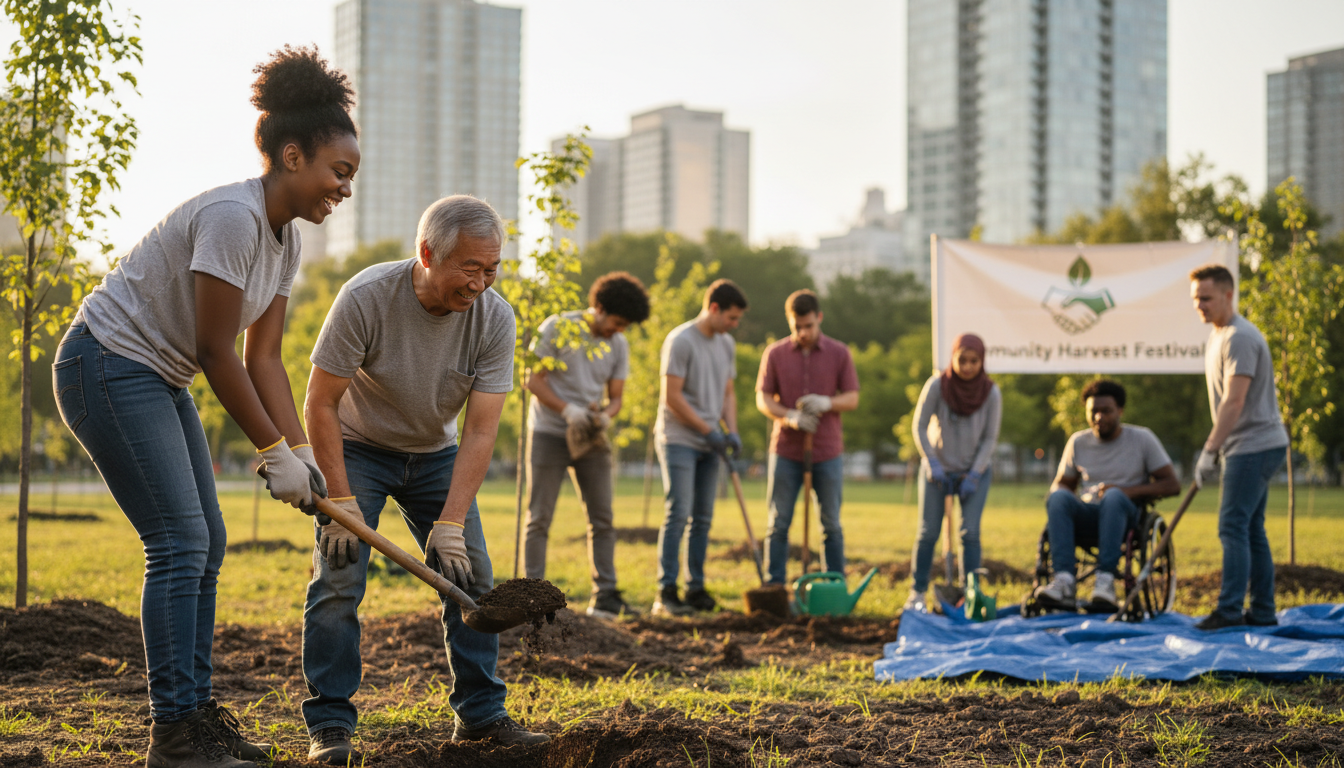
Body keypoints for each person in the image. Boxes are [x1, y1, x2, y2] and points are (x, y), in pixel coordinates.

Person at [50, 46, 355, 768]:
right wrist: (272, 452)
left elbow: (264, 357)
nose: (344, 188)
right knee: (178, 544)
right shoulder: (232, 217)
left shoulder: (285, 243)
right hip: (106, 363)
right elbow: (218, 349)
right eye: (338, 172)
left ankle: (196, 719)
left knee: (207, 543)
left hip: (159, 376)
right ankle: (173, 734)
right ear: (291, 156)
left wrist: (301, 451)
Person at [300, 195, 547, 764]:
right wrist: (340, 498)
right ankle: (331, 726)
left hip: (436, 456)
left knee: (472, 575)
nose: (480, 283)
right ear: (427, 252)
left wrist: (452, 521)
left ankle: (481, 716)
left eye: (492, 269)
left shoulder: (495, 318)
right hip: (357, 449)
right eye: (469, 268)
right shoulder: (367, 297)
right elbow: (320, 401)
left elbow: (481, 430)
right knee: (338, 577)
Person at [522, 272, 651, 618]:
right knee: (539, 517)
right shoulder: (559, 328)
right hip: (550, 432)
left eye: (625, 326)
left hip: (590, 436)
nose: (618, 330)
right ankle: (533, 596)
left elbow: (617, 397)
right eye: (616, 322)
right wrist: (567, 410)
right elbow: (532, 379)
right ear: (598, 308)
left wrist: (606, 415)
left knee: (602, 517)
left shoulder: (618, 344)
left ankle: (605, 594)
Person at [1190, 264, 1289, 630]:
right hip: (1250, 444)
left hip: (1254, 444)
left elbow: (1234, 401)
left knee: (1232, 526)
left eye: (1206, 297)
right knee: (1250, 529)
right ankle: (1262, 612)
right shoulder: (1219, 334)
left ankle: (1230, 611)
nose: (1199, 304)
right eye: (1195, 298)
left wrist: (1209, 449)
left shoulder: (1239, 338)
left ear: (1228, 295)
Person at [1035, 380, 1181, 612]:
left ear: (1120, 411)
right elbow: (1062, 484)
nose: (1099, 417)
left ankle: (1106, 582)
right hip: (1087, 514)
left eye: (1106, 411)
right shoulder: (1078, 442)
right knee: (1058, 498)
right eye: (1093, 411)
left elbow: (1172, 484)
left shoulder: (1142, 439)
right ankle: (1064, 581)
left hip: (1125, 516)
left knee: (1113, 497)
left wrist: (1126, 491)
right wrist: (1061, 501)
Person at [652, 279, 749, 616]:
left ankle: (696, 588)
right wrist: (708, 430)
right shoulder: (681, 340)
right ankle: (666, 591)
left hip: (712, 442)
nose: (734, 326)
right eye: (732, 318)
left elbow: (728, 393)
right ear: (714, 308)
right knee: (678, 511)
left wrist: (731, 432)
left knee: (703, 518)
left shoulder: (726, 344)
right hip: (679, 438)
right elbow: (672, 396)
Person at [755, 290, 860, 584]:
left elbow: (852, 398)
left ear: (819, 318)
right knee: (778, 522)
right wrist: (789, 416)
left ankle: (834, 584)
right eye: (796, 326)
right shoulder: (774, 354)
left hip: (827, 451)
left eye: (808, 326)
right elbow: (763, 399)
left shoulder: (840, 353)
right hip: (786, 450)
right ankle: (774, 585)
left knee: (831, 524)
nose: (802, 332)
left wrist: (828, 402)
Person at [905, 334, 1002, 612]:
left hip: (975, 472)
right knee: (927, 532)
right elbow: (919, 426)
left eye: (974, 361)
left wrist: (974, 473)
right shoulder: (937, 385)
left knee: (970, 533)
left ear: (981, 361)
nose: (968, 366)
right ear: (953, 357)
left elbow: (990, 439)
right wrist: (932, 462)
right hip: (937, 471)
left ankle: (971, 592)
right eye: (962, 360)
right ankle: (917, 592)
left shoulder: (991, 393)